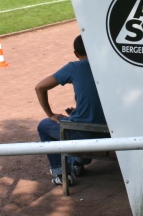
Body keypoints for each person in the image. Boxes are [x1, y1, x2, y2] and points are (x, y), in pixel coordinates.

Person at [35, 35, 107, 186]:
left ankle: (61, 174)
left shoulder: (74, 67)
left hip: (86, 132)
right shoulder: (110, 65)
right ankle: (78, 163)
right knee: (80, 120)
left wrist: (50, 114)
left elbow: (40, 87)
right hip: (111, 131)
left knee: (44, 126)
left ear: (76, 53)